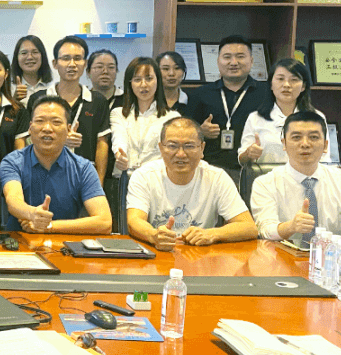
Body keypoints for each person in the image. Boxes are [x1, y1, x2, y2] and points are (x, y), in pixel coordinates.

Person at [125, 117, 257, 251]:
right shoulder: (144, 176)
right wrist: (153, 235)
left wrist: (212, 234)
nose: (181, 154)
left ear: (202, 148)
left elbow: (248, 227)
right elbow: (134, 221)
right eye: (172, 146)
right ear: (161, 148)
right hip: (158, 253)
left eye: (189, 146)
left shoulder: (217, 178)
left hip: (200, 255)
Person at [250, 111, 341, 245]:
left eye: (313, 137)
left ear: (325, 145)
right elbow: (264, 229)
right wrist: (291, 227)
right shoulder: (265, 184)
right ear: (284, 144)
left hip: (331, 255)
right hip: (281, 256)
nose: (305, 144)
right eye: (296, 137)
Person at [0, 96, 112, 234]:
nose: (47, 128)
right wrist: (32, 214)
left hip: (64, 243)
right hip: (20, 241)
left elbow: (105, 222)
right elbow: (13, 201)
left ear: (68, 130)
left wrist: (48, 226)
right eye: (40, 121)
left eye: (56, 122)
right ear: (30, 128)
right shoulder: (13, 161)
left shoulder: (83, 168)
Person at [109, 57, 180, 232]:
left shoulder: (172, 117)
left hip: (157, 184)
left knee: (155, 231)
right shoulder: (118, 113)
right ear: (129, 83)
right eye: (137, 79)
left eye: (149, 78)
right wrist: (119, 155)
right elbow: (119, 137)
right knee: (124, 233)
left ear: (158, 81)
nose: (143, 85)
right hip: (124, 181)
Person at [30, 36, 110, 183]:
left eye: (77, 58)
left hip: (85, 176)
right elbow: (30, 139)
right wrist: (60, 139)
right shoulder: (38, 99)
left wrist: (98, 183)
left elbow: (102, 144)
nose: (72, 64)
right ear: (55, 63)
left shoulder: (98, 101)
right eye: (66, 58)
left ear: (85, 63)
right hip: (44, 174)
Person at [187, 35, 270, 176]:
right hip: (209, 171)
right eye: (227, 57)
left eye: (240, 56)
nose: (233, 62)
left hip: (254, 171)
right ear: (218, 61)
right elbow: (185, 133)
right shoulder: (200, 94)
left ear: (251, 61)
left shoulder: (267, 94)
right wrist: (200, 131)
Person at [240, 59, 328, 166]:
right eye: (280, 79)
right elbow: (242, 159)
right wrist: (249, 153)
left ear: (303, 86)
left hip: (304, 175)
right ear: (271, 84)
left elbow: (324, 159)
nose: (286, 85)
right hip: (267, 176)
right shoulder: (256, 117)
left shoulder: (316, 117)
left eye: (294, 79)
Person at [10, 35, 54, 104]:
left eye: (35, 52)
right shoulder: (8, 89)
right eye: (24, 53)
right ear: (16, 58)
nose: (29, 57)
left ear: (42, 56)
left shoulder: (53, 87)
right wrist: (14, 101)